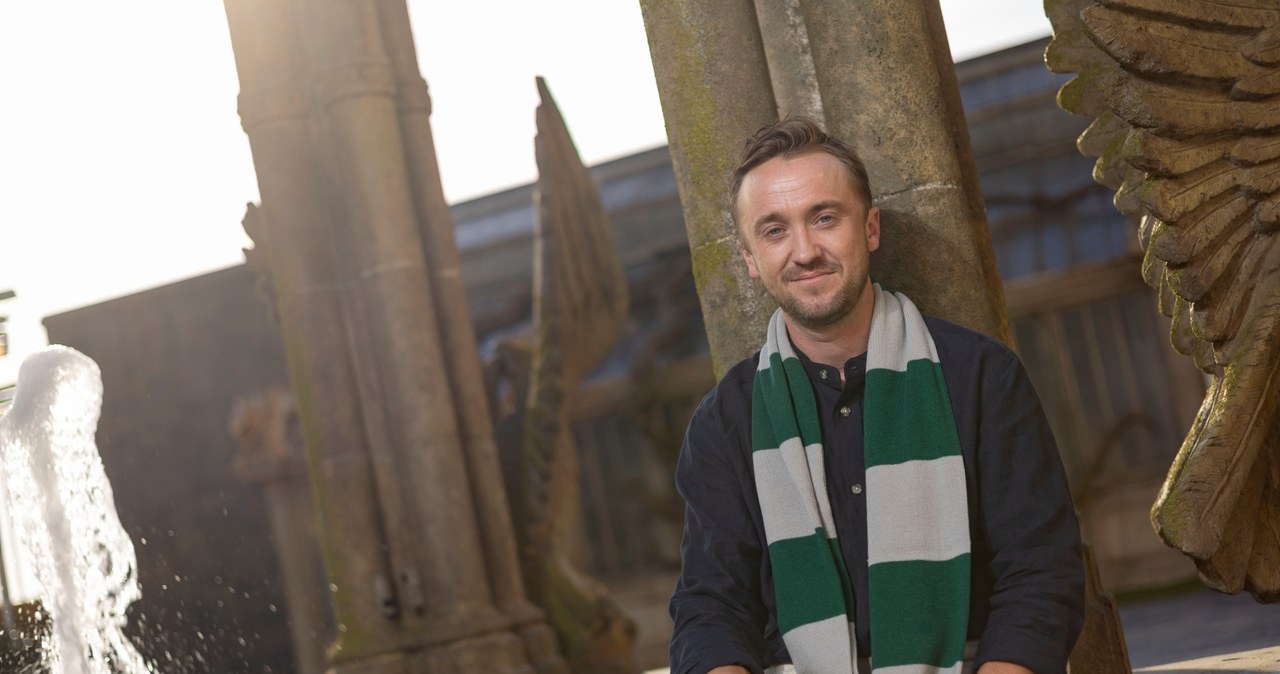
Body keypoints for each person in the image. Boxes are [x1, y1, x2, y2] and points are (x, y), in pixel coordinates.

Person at [667, 118, 1084, 674]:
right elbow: (711, 609)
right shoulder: (724, 423)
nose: (805, 250)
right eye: (774, 231)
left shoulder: (981, 376)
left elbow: (1041, 572)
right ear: (750, 259)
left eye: (824, 218)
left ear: (869, 229)